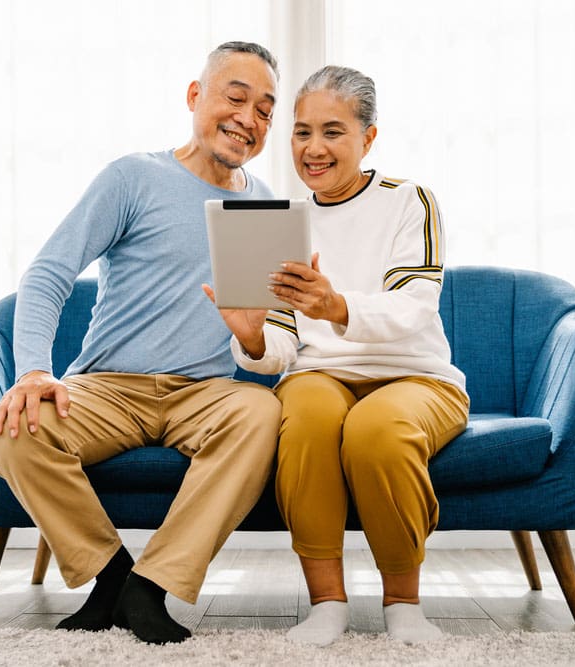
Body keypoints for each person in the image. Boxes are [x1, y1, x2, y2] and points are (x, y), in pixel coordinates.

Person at [0, 42, 282, 645]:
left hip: (205, 392)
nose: (249, 119)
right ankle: (112, 575)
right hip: (108, 386)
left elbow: (263, 334)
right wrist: (33, 372)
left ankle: (152, 586)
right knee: (15, 434)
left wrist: (255, 341)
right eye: (236, 97)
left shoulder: (264, 204)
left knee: (262, 412)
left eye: (266, 110)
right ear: (196, 96)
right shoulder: (135, 176)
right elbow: (48, 274)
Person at [207, 65, 469, 646]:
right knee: (307, 421)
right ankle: (327, 603)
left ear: (367, 137)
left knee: (377, 430)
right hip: (318, 374)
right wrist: (251, 336)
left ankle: (404, 604)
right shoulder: (283, 220)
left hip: (415, 376)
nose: (314, 149)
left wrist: (336, 307)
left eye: (332, 131)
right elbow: (278, 351)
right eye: (302, 132)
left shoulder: (410, 201)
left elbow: (415, 308)